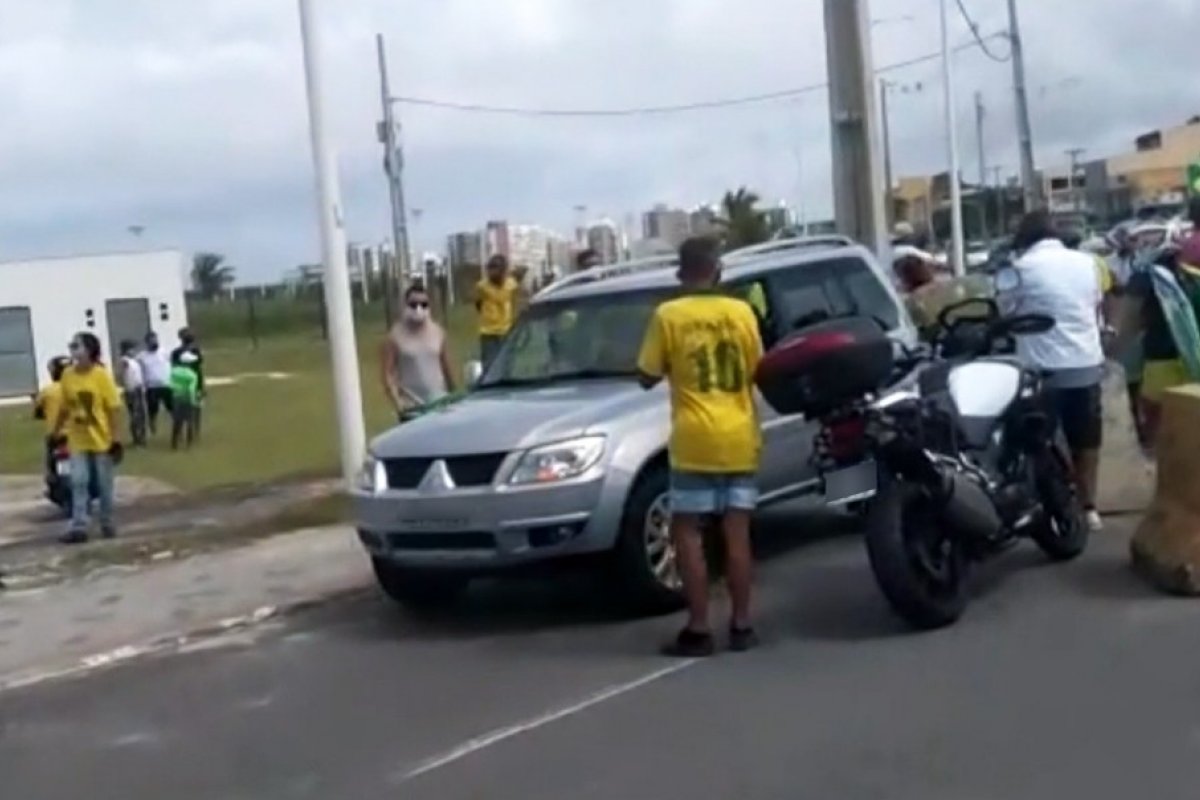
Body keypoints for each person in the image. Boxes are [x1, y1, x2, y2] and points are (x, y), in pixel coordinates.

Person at [636, 236, 764, 657]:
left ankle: (699, 627)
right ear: (718, 270)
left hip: (694, 440)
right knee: (737, 534)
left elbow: (646, 375)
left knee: (687, 533)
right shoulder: (742, 312)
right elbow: (758, 367)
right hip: (739, 435)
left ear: (680, 272)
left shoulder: (668, 315)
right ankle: (742, 624)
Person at [1006, 210, 1106, 532]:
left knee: (1037, 440)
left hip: (1041, 370)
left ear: (1025, 239)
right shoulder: (1087, 263)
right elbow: (1094, 304)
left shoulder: (1020, 269)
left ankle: (1048, 504)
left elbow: (1006, 311)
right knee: (1087, 439)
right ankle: (1089, 507)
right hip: (1086, 362)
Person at [53, 333, 123, 543]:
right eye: (71, 346)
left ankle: (107, 522)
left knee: (104, 485)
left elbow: (113, 409)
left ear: (89, 350)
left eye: (77, 346)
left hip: (101, 439)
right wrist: (55, 432)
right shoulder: (67, 375)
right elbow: (64, 407)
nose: (73, 351)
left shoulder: (100, 375)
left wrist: (116, 439)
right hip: (78, 438)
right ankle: (79, 526)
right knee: (79, 481)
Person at [381, 282, 455, 421]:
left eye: (424, 304)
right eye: (413, 304)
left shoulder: (438, 332)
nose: (418, 309)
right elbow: (387, 374)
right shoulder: (394, 337)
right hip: (412, 408)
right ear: (405, 305)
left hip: (440, 404)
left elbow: (447, 368)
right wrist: (398, 403)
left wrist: (453, 397)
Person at [475, 255, 519, 369]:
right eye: (490, 269)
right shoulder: (482, 287)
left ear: (504, 271)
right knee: (490, 365)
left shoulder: (511, 284)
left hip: (506, 330)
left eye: (496, 269)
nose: (492, 273)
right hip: (489, 332)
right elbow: (478, 304)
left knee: (507, 364)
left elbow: (514, 301)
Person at [33, 356, 70, 477]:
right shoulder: (75, 388)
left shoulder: (47, 391)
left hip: (55, 434)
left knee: (51, 461)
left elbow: (38, 411)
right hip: (76, 433)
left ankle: (52, 478)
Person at [171, 328, 205, 440]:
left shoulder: (176, 352)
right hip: (190, 383)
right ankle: (193, 431)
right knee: (193, 409)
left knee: (186, 409)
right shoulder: (194, 351)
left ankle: (188, 432)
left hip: (182, 384)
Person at [138, 331, 172, 436]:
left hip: (166, 385)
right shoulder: (141, 356)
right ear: (147, 342)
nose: (154, 342)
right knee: (152, 409)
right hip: (151, 387)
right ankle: (152, 424)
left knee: (172, 407)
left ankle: (177, 426)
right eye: (152, 341)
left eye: (155, 339)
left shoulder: (165, 352)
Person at [169, 351, 201, 450]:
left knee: (177, 421)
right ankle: (189, 444)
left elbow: (170, 384)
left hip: (176, 398)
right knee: (189, 421)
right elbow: (191, 390)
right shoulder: (192, 375)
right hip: (187, 399)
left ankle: (174, 443)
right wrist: (193, 401)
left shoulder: (174, 371)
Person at [118, 340, 148, 446]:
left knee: (141, 414)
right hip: (132, 390)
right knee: (135, 414)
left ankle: (141, 437)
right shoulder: (125, 361)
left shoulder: (133, 361)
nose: (134, 351)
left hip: (138, 389)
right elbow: (121, 374)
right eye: (132, 349)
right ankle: (137, 438)